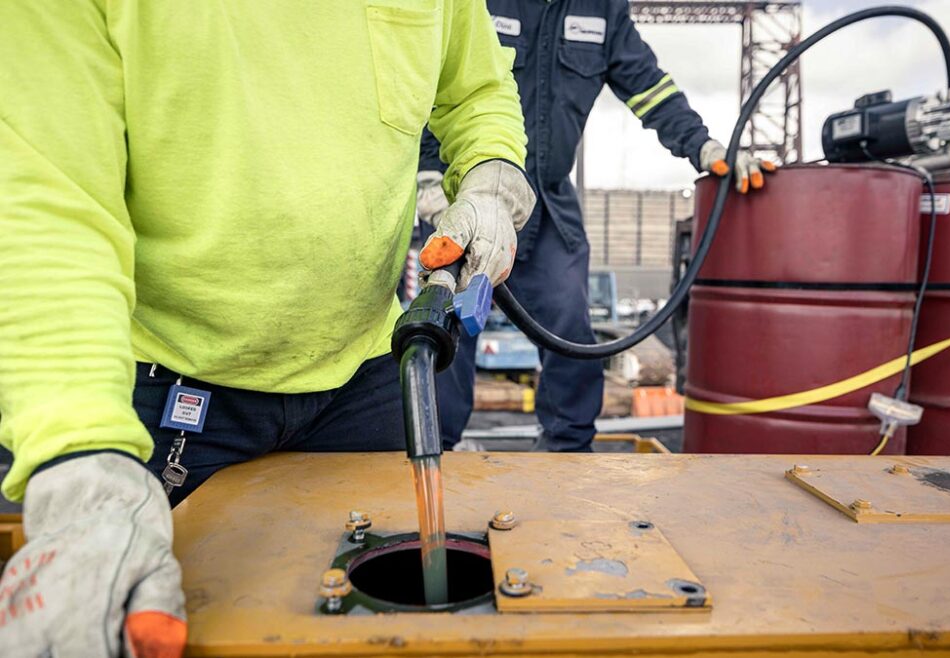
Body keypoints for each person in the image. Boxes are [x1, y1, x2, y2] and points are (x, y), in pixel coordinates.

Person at [0, 2, 534, 655]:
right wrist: (81, 457)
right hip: (171, 392)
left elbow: (477, 90)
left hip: (362, 375)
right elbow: (46, 207)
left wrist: (491, 175)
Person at [418, 0, 775, 453]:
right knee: (443, 326)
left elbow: (649, 87)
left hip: (547, 207)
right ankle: (431, 454)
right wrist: (428, 174)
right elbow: (446, 83)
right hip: (466, 194)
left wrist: (702, 146)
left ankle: (567, 457)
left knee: (569, 330)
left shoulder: (602, 10)